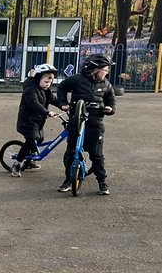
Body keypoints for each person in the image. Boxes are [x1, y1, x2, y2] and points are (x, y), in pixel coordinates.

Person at [56, 54, 116, 195]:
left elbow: (111, 99)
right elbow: (62, 87)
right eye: (104, 70)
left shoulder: (106, 84)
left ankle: (102, 182)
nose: (106, 73)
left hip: (95, 123)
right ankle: (69, 180)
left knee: (97, 155)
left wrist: (110, 108)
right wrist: (63, 103)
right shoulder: (77, 79)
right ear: (95, 70)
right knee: (71, 153)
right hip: (76, 122)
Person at [11, 63, 62, 176]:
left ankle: (29, 161)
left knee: (39, 138)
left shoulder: (46, 91)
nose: (48, 84)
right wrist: (47, 112)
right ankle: (17, 164)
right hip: (27, 122)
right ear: (38, 78)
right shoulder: (30, 90)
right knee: (30, 140)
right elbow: (34, 104)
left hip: (37, 122)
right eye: (46, 81)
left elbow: (55, 100)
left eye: (50, 82)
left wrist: (64, 106)